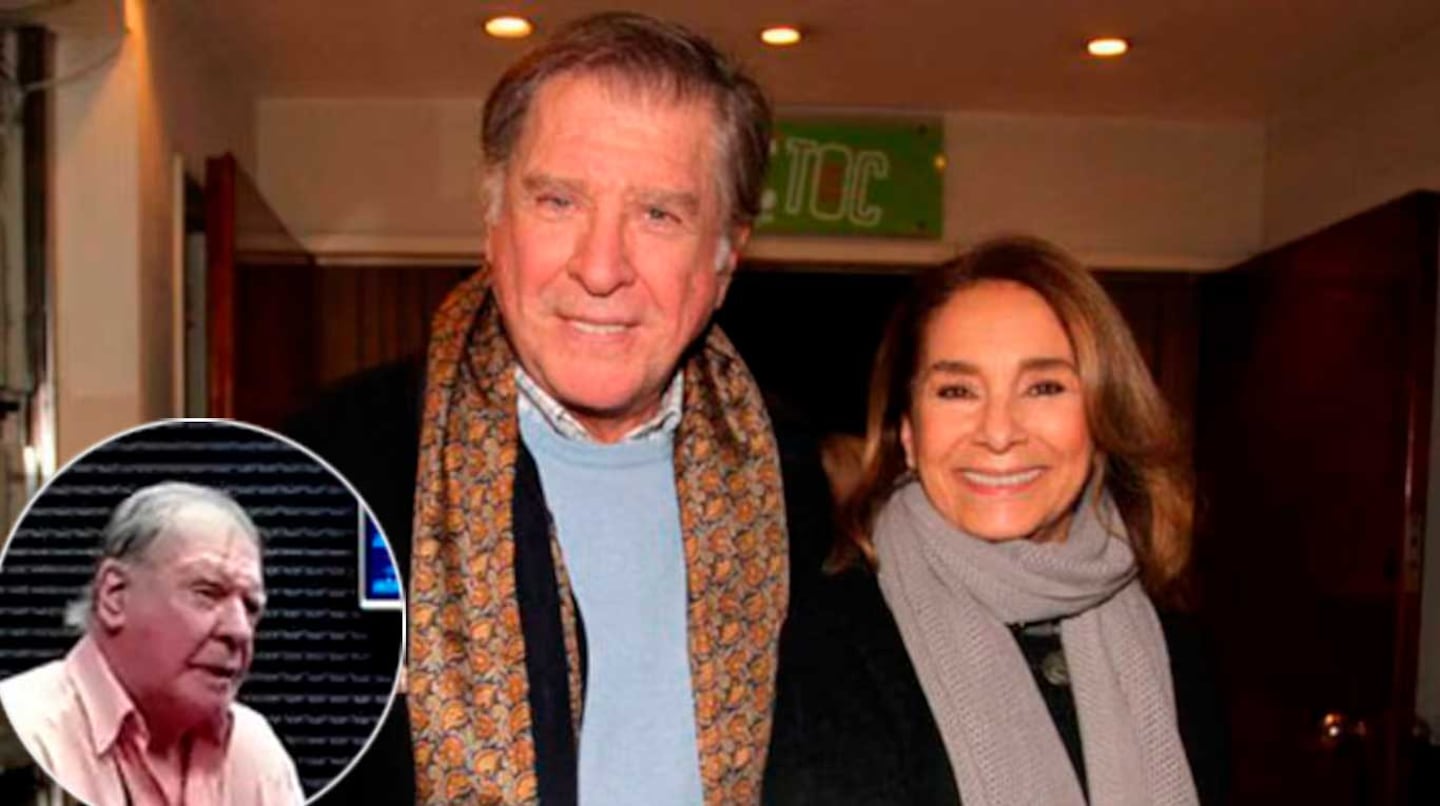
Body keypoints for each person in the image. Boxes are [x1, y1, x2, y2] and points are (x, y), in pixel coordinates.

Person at [390, 12, 791, 805]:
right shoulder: (331, 478)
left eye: (659, 215)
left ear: (725, 260)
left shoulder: (796, 489)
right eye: (559, 201)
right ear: (494, 224)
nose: (601, 268)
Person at [764, 236, 1228, 805]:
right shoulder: (826, 644)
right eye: (957, 391)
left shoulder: (1174, 645)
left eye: (1043, 388)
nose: (999, 431)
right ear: (909, 433)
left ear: (1104, 415)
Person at [0, 482, 303, 806]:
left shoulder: (255, 748)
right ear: (114, 596)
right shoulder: (23, 729)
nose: (240, 631)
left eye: (251, 607)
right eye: (207, 592)